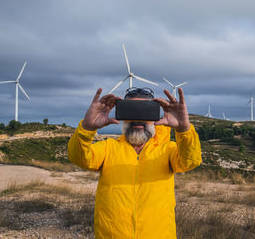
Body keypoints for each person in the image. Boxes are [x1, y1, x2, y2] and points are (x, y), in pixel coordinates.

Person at [68, 87, 201, 238]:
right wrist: (87, 128)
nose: (138, 119)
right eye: (132, 111)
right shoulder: (108, 148)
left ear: (154, 115)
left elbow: (190, 161)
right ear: (123, 114)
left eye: (144, 112)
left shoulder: (167, 150)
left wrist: (184, 129)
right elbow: (78, 158)